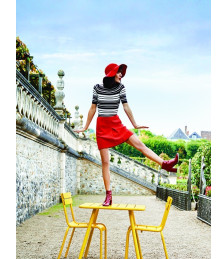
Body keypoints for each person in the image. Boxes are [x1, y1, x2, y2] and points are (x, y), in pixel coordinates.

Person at [75, 63, 179, 206]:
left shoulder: (121, 88)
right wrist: (85, 127)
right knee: (105, 162)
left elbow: (126, 106)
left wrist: (135, 124)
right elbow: (93, 108)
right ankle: (108, 196)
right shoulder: (97, 88)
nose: (121, 75)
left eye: (121, 73)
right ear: (111, 74)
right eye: (118, 72)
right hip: (102, 127)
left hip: (116, 124)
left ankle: (165, 164)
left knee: (140, 145)